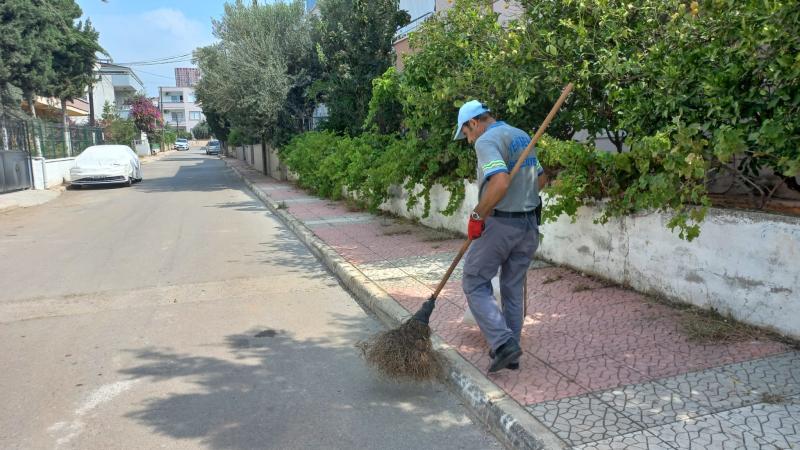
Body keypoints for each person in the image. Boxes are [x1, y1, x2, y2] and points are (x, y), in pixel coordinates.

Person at [454, 100, 546, 373]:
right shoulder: (520, 135)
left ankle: (503, 343)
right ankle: (512, 352)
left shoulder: (487, 141)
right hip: (529, 225)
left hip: (501, 224)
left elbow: (501, 181)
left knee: (473, 280)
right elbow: (540, 179)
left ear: (474, 122)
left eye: (466, 133)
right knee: (512, 287)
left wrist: (478, 215)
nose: (469, 141)